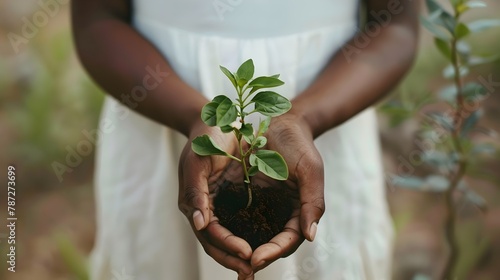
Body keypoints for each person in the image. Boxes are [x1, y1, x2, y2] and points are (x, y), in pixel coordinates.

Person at [71, 0, 419, 279]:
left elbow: (395, 24)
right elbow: (97, 18)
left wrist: (304, 118)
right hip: (156, 98)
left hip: (332, 97)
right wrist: (194, 116)